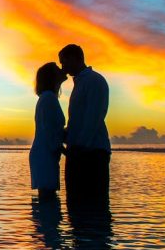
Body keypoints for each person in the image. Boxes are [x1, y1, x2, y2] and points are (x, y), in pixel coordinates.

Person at [58, 44, 111, 199]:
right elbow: (79, 121)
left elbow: (93, 118)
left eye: (64, 62)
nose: (63, 67)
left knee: (92, 203)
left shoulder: (94, 81)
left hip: (91, 153)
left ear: (76, 58)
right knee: (76, 204)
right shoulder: (81, 82)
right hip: (80, 151)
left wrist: (77, 149)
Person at [29, 62, 67, 200]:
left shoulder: (48, 98)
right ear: (52, 76)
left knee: (47, 202)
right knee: (48, 202)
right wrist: (67, 152)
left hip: (45, 154)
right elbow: (50, 132)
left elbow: (53, 130)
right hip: (45, 155)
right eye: (58, 69)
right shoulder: (49, 98)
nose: (62, 69)